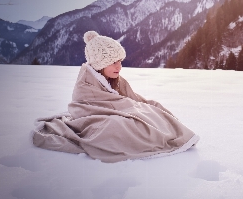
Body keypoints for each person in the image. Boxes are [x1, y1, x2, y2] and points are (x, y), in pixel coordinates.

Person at [32, 31, 199, 163]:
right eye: (114, 62)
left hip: (113, 113)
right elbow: (85, 109)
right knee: (117, 126)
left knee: (152, 107)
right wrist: (127, 109)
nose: (119, 67)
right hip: (97, 119)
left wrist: (142, 107)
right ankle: (159, 135)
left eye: (120, 61)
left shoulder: (114, 77)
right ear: (99, 64)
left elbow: (132, 99)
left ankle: (170, 133)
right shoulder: (85, 83)